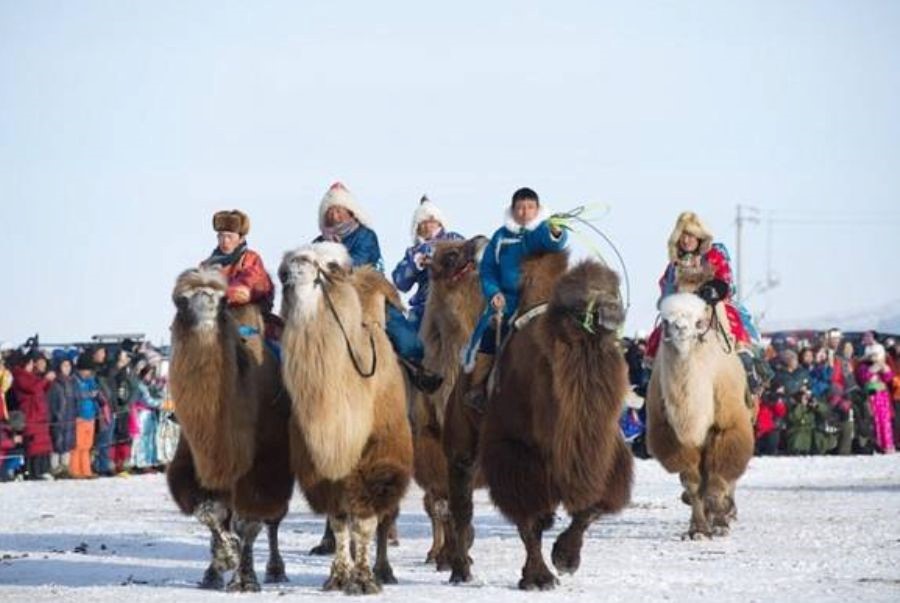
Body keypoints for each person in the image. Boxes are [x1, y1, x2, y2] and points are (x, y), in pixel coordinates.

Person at [315, 182, 442, 392]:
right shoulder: (319, 242)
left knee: (406, 339)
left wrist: (330, 264)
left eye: (339, 209)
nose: (335, 215)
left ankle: (417, 373)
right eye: (331, 210)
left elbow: (357, 262)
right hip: (332, 299)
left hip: (367, 292)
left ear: (350, 210)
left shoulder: (365, 235)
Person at [463, 187, 568, 411]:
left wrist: (556, 231)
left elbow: (554, 242)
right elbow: (489, 270)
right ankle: (479, 386)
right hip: (508, 300)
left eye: (530, 207)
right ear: (513, 209)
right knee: (491, 331)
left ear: (537, 209)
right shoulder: (501, 236)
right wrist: (494, 293)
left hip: (541, 298)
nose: (524, 212)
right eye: (520, 207)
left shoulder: (540, 231)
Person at [645, 212, 763, 395]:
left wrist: (713, 291)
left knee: (731, 323)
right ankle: (651, 382)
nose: (687, 240)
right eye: (683, 235)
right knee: (660, 334)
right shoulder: (674, 265)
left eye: (691, 235)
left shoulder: (714, 255)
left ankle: (746, 369)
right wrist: (667, 299)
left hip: (711, 305)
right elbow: (666, 288)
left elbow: (726, 280)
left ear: (699, 237)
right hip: (682, 309)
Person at [392, 195, 465, 330]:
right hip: (423, 307)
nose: (427, 226)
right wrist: (415, 264)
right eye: (422, 222)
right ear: (417, 227)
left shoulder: (454, 239)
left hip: (453, 303)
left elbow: (467, 261)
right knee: (408, 342)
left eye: (431, 220)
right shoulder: (412, 252)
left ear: (439, 222)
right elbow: (400, 282)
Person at [10, 350, 56, 479]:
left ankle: (43, 470)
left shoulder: (31, 376)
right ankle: (33, 471)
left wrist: (48, 381)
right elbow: (33, 388)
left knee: (42, 446)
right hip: (31, 415)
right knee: (34, 446)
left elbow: (40, 389)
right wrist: (45, 379)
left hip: (39, 415)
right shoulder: (20, 376)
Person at [855, 343, 895, 454]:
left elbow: (888, 378)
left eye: (877, 355)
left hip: (883, 399)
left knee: (884, 421)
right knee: (874, 421)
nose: (875, 358)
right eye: (872, 355)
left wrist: (884, 368)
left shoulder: (883, 365)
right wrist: (874, 369)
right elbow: (864, 379)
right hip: (871, 397)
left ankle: (886, 444)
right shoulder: (863, 366)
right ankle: (875, 444)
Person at [47, 356, 78, 477]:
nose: (67, 368)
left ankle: (65, 467)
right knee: (57, 443)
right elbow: (52, 402)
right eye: (64, 366)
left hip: (70, 417)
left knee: (67, 443)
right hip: (58, 418)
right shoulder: (55, 383)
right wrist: (55, 416)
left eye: (69, 365)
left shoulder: (72, 382)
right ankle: (55, 468)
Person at [72, 354, 101, 479]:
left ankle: (86, 470)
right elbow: (77, 396)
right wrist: (89, 394)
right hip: (79, 416)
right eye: (85, 369)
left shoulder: (91, 381)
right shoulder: (74, 381)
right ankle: (75, 470)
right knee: (78, 445)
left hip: (90, 416)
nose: (87, 372)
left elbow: (96, 393)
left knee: (87, 445)